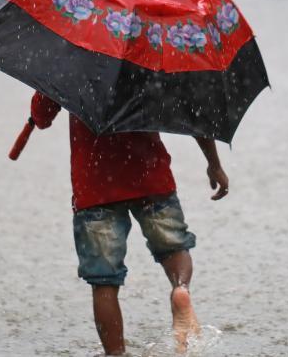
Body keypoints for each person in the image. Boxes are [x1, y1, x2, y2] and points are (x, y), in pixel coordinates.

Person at [29, 91, 229, 355]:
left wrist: (42, 100)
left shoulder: (73, 58)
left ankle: (116, 354)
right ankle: (181, 289)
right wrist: (213, 163)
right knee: (175, 248)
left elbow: (42, 117)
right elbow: (191, 110)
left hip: (95, 187)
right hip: (150, 176)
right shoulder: (152, 55)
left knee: (104, 282)